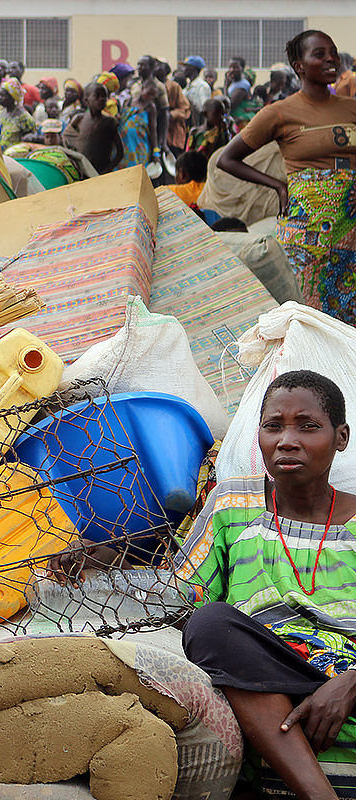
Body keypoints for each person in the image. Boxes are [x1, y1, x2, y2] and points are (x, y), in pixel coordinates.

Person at [175, 370, 356, 800]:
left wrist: (352, 683)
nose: (286, 440)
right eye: (273, 426)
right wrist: (106, 557)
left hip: (345, 685)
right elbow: (177, 600)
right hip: (266, 682)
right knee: (211, 623)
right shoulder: (231, 506)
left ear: (341, 437)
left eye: (307, 426)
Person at [218, 29, 356, 325]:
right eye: (319, 54)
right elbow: (227, 159)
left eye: (333, 52)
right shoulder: (279, 113)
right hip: (307, 231)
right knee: (307, 314)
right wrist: (278, 185)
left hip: (352, 225)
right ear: (299, 66)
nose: (330, 59)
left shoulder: (351, 107)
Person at [66, 83, 124, 176]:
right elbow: (66, 138)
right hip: (82, 172)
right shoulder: (79, 119)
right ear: (86, 100)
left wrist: (107, 170)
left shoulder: (110, 122)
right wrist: (74, 163)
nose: (102, 99)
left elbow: (120, 152)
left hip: (102, 172)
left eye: (105, 96)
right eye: (97, 96)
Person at [0, 78, 38, 149]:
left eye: (3, 95)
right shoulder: (0, 113)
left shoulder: (23, 116)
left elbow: (32, 135)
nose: (0, 98)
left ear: (12, 97)